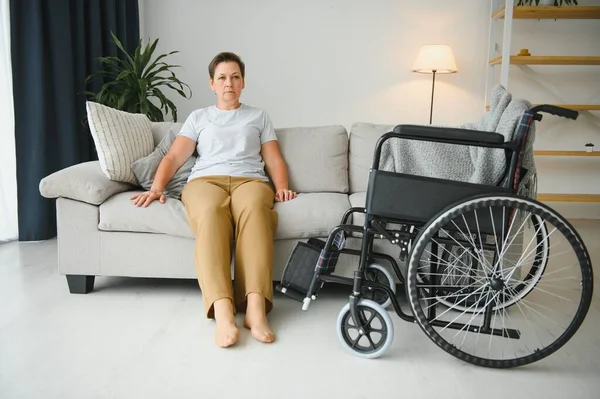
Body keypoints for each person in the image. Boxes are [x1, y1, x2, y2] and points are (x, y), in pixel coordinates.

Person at [130, 52, 297, 348]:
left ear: (243, 82)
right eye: (222, 77)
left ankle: (255, 312)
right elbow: (174, 156)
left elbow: (273, 158)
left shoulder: (258, 116)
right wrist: (157, 187)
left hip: (251, 180)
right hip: (205, 181)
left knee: (257, 212)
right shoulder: (199, 117)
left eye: (235, 77)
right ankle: (223, 314)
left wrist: (281, 186)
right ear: (212, 83)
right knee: (209, 213)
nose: (228, 83)